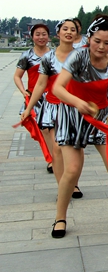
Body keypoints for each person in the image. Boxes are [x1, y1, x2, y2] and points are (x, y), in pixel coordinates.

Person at [51, 14, 108, 237]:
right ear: (89, 39)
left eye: (107, 42)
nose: (102, 46)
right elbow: (58, 88)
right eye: (97, 41)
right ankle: (59, 218)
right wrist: (78, 103)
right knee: (72, 170)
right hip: (72, 115)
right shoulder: (77, 57)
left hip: (100, 117)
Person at [21, 19, 82, 198]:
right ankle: (62, 187)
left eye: (73, 29)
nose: (69, 32)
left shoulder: (82, 56)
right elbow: (40, 85)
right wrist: (29, 107)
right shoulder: (48, 58)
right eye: (65, 29)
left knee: (76, 148)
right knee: (57, 148)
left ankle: (74, 184)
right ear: (58, 34)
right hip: (53, 106)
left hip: (73, 108)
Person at [14, 23, 52, 173]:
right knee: (44, 131)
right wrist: (24, 91)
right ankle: (51, 159)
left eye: (44, 34)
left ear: (48, 36)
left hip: (53, 97)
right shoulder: (27, 56)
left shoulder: (54, 55)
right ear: (32, 37)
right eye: (38, 34)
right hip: (35, 98)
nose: (41, 37)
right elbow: (17, 76)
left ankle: (54, 158)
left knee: (51, 130)